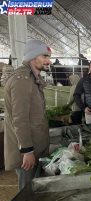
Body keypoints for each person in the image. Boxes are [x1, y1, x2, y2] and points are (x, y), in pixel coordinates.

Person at [4, 40, 52, 190]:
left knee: (35, 189)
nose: (48, 61)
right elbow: (20, 119)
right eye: (44, 56)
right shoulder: (21, 80)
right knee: (27, 194)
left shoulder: (31, 78)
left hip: (36, 147)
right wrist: (27, 151)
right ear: (33, 57)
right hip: (27, 152)